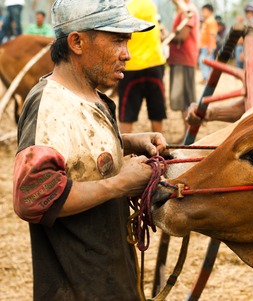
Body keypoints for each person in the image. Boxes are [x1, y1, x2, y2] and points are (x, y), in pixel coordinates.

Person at [13, 0, 168, 300]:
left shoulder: (92, 96)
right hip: (77, 288)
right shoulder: (49, 105)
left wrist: (127, 142)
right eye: (118, 41)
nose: (128, 54)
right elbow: (32, 197)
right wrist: (120, 183)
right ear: (77, 42)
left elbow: (76, 149)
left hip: (109, 278)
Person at [118, 0, 167, 134]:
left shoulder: (125, 8)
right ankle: (160, 146)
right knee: (157, 108)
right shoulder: (151, 6)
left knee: (127, 111)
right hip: (155, 63)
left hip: (132, 66)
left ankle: (125, 148)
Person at [167, 0, 200, 137]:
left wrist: (166, 37)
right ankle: (186, 133)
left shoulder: (188, 11)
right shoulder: (183, 11)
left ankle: (188, 134)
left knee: (186, 100)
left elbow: (183, 35)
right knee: (183, 100)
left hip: (184, 58)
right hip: (181, 58)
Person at [198, 3, 218, 84]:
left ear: (209, 11)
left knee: (204, 62)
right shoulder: (206, 21)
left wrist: (210, 47)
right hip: (205, 46)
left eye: (204, 11)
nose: (202, 13)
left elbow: (212, 35)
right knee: (208, 63)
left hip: (208, 46)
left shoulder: (211, 21)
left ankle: (207, 78)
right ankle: (208, 78)